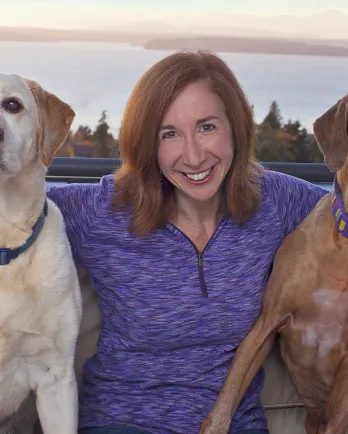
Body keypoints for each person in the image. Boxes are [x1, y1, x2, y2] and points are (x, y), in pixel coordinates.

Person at [47, 50, 328, 434]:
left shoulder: (277, 202)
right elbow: (15, 208)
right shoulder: (102, 210)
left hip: (236, 426)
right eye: (169, 134)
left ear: (237, 125)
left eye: (207, 127)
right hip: (123, 421)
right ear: (147, 142)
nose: (193, 156)